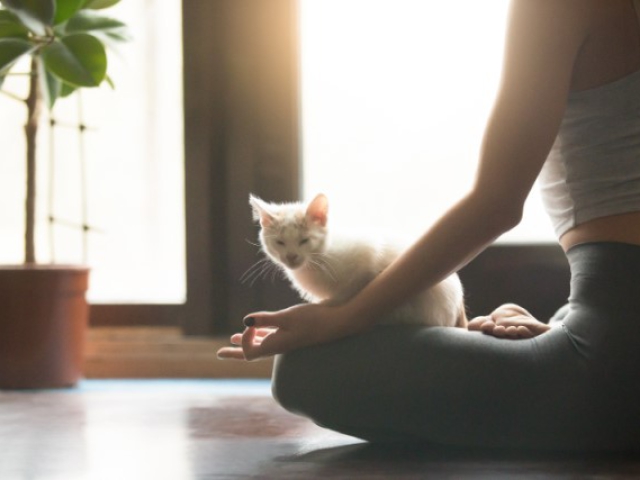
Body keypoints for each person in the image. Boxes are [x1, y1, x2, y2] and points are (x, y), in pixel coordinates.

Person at [217, 0, 640, 451]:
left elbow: (495, 205)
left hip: (612, 369)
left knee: (302, 368)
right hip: (611, 335)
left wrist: (341, 318)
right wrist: (559, 330)